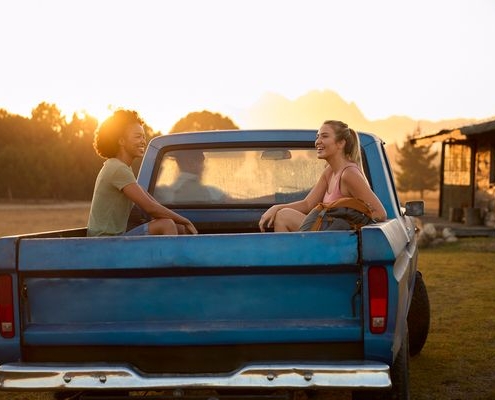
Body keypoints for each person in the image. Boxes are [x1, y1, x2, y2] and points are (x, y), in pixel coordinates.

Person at [258, 120, 387, 232]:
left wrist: (348, 227)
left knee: (283, 216)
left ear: (340, 143)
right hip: (324, 232)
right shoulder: (329, 171)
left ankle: (289, 260)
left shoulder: (349, 174)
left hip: (335, 237)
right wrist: (275, 207)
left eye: (324, 136)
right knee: (281, 214)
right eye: (317, 137)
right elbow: (308, 204)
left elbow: (380, 213)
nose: (318, 142)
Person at [87, 109, 198, 237]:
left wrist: (181, 224)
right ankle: (168, 258)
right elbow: (150, 207)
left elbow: (152, 201)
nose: (143, 141)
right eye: (137, 137)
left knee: (177, 226)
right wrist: (186, 220)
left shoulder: (121, 168)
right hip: (106, 241)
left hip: (114, 238)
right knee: (167, 224)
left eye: (143, 137)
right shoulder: (118, 169)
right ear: (121, 141)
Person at [155, 150, 227, 204]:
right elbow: (233, 202)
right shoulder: (213, 193)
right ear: (191, 163)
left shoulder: (163, 193)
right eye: (202, 162)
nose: (204, 167)